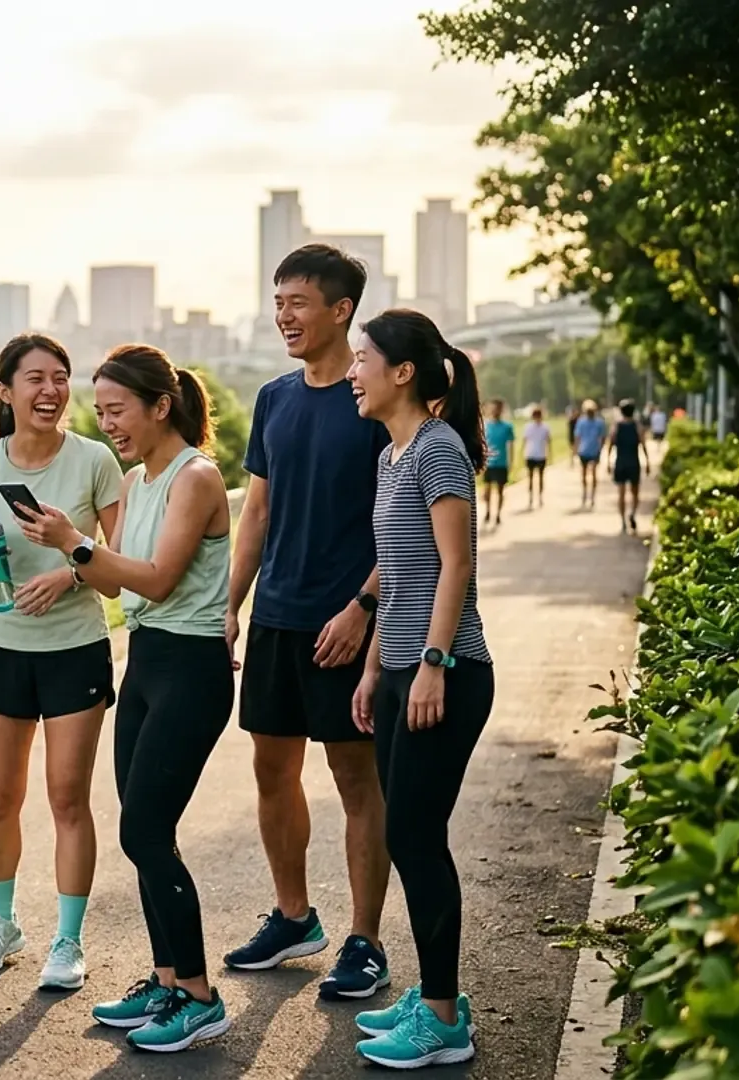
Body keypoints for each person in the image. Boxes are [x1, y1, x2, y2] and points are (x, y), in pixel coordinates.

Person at [20, 345, 235, 1053]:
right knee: (146, 834)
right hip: (144, 663)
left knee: (143, 831)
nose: (106, 424)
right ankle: (167, 979)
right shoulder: (138, 480)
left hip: (192, 669)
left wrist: (74, 542)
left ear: (160, 406)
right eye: (101, 412)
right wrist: (70, 551)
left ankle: (199, 997)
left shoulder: (195, 477)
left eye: (117, 410)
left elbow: (159, 579)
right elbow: (115, 581)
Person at [226, 244, 394, 1000]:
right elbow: (256, 513)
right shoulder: (274, 399)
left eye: (298, 302)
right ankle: (294, 917)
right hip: (278, 617)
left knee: (356, 779)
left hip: (346, 622)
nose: (283, 316)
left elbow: (406, 524)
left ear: (341, 310)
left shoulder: (372, 400)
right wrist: (231, 605)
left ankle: (366, 940)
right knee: (271, 770)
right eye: (278, 302)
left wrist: (363, 608)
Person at [0, 333, 123, 990]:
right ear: (6, 391)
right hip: (1, 649)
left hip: (74, 649)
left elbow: (118, 570)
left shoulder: (94, 460)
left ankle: (68, 940)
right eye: (35, 379)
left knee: (67, 798)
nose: (50, 391)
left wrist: (69, 572)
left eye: (60, 378)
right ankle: (2, 924)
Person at [346, 308, 494, 1068]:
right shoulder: (391, 455)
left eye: (362, 359)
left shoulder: (437, 449)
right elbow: (401, 576)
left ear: (402, 372)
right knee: (406, 834)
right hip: (403, 670)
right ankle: (437, 996)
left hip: (448, 672)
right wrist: (376, 667)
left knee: (413, 836)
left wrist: (434, 662)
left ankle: (442, 1019)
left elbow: (454, 564)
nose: (352, 373)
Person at [608, 400, 649, 534]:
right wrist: (647, 461)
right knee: (635, 493)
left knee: (621, 493)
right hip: (633, 462)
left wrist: (608, 460)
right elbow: (643, 445)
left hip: (620, 462)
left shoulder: (616, 426)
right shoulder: (637, 427)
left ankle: (622, 521)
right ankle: (632, 513)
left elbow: (611, 443)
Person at [480, 400, 513, 527]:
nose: (495, 411)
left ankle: (498, 514)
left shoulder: (507, 427)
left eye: (497, 409)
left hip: (501, 463)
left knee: (500, 491)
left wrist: (510, 462)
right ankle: (488, 511)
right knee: (487, 490)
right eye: (493, 409)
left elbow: (510, 445)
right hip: (488, 463)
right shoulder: (486, 426)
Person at [573, 399, 607, 509]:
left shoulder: (599, 422)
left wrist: (601, 448)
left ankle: (592, 496)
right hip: (584, 450)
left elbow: (602, 437)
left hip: (594, 450)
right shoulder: (581, 422)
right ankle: (585, 493)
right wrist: (576, 449)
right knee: (584, 474)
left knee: (593, 473)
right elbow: (577, 437)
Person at [521, 405, 550, 511]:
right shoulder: (528, 427)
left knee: (541, 477)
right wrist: (522, 452)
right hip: (531, 454)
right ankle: (531, 497)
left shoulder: (545, 427)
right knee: (530, 478)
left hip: (541, 455)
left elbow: (548, 441)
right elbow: (525, 440)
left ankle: (540, 497)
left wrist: (549, 454)